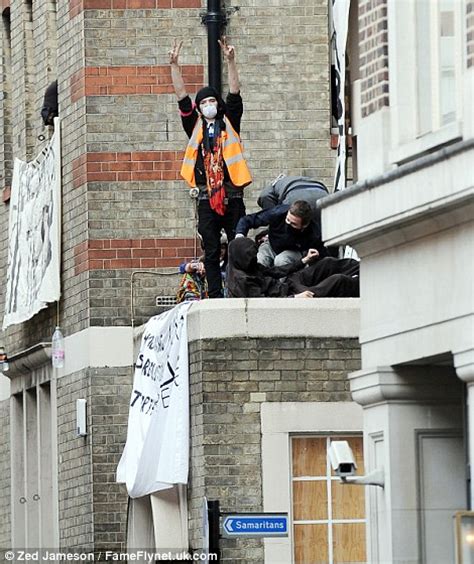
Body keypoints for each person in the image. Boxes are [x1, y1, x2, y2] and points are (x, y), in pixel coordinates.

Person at [169, 38, 252, 298]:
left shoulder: (230, 122)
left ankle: (240, 292)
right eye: (203, 103)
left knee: (238, 246)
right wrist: (174, 66)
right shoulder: (195, 126)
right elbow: (182, 98)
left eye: (211, 102)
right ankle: (215, 296)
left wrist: (230, 61)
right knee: (213, 249)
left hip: (232, 196)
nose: (208, 106)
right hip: (207, 197)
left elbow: (235, 94)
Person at [226, 237, 359, 299]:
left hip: (289, 284)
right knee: (338, 280)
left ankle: (364, 266)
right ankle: (369, 281)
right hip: (290, 295)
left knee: (327, 263)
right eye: (251, 257)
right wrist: (295, 298)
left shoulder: (249, 265)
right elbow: (264, 303)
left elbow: (275, 271)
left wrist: (303, 261)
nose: (254, 260)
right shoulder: (242, 282)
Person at [235, 200, 328, 268]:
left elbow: (323, 255)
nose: (288, 224)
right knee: (260, 260)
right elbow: (248, 220)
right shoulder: (278, 213)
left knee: (281, 261)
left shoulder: (314, 232)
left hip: (294, 251)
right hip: (271, 245)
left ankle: (281, 291)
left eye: (293, 224)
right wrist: (240, 235)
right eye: (287, 219)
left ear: (305, 225)